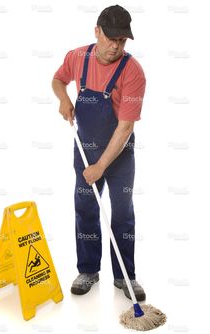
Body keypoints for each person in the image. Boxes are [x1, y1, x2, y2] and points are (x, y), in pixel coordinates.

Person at [52, 5, 146, 301]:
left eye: (122, 41)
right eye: (110, 39)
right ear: (97, 32)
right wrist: (63, 98)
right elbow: (57, 79)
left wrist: (101, 166)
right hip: (85, 149)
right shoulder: (77, 57)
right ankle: (88, 269)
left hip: (119, 155)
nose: (115, 47)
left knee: (121, 213)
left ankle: (125, 276)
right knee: (87, 210)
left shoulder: (132, 71)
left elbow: (126, 127)